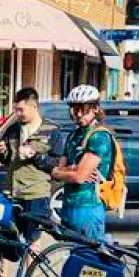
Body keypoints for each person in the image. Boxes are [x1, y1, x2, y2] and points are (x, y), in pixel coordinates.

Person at [0, 88, 57, 242]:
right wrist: (1, 152)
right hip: (12, 193)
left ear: (34, 107)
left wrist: (36, 156)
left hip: (36, 194)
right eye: (16, 109)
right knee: (5, 242)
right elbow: (7, 160)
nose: (18, 114)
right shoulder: (13, 130)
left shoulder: (51, 131)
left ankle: (30, 267)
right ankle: (2, 268)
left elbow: (56, 164)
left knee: (32, 242)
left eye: (21, 110)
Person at [53, 85, 114, 240]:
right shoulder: (73, 136)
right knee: (72, 253)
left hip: (88, 207)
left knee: (90, 257)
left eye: (83, 109)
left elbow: (79, 176)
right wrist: (65, 171)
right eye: (74, 109)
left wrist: (63, 172)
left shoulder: (99, 136)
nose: (78, 114)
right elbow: (59, 171)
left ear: (95, 109)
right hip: (69, 204)